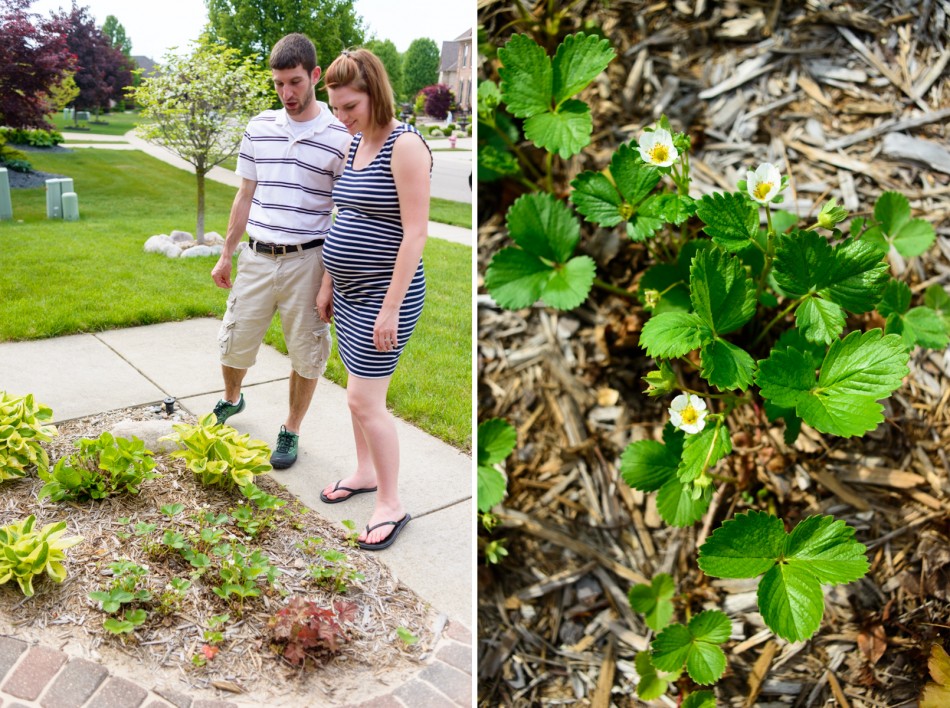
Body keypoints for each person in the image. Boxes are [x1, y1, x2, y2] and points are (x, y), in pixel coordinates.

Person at [210, 33, 352, 469]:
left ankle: (290, 429)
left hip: (309, 260)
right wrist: (227, 251)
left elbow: (345, 213)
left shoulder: (340, 136)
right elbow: (244, 195)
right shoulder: (259, 127)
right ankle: (232, 400)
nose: (287, 93)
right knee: (234, 340)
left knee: (307, 351)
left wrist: (329, 279)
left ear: (314, 75)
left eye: (294, 82)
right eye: (278, 84)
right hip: (256, 255)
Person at [316, 48, 432, 551]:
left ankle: (391, 503)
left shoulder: (404, 145)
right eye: (336, 108)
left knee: (366, 399)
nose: (342, 118)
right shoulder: (357, 143)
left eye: (350, 107)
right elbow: (344, 216)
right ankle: (364, 471)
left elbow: (416, 234)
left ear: (374, 92)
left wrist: (389, 307)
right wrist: (327, 283)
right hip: (349, 290)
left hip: (387, 296)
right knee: (355, 394)